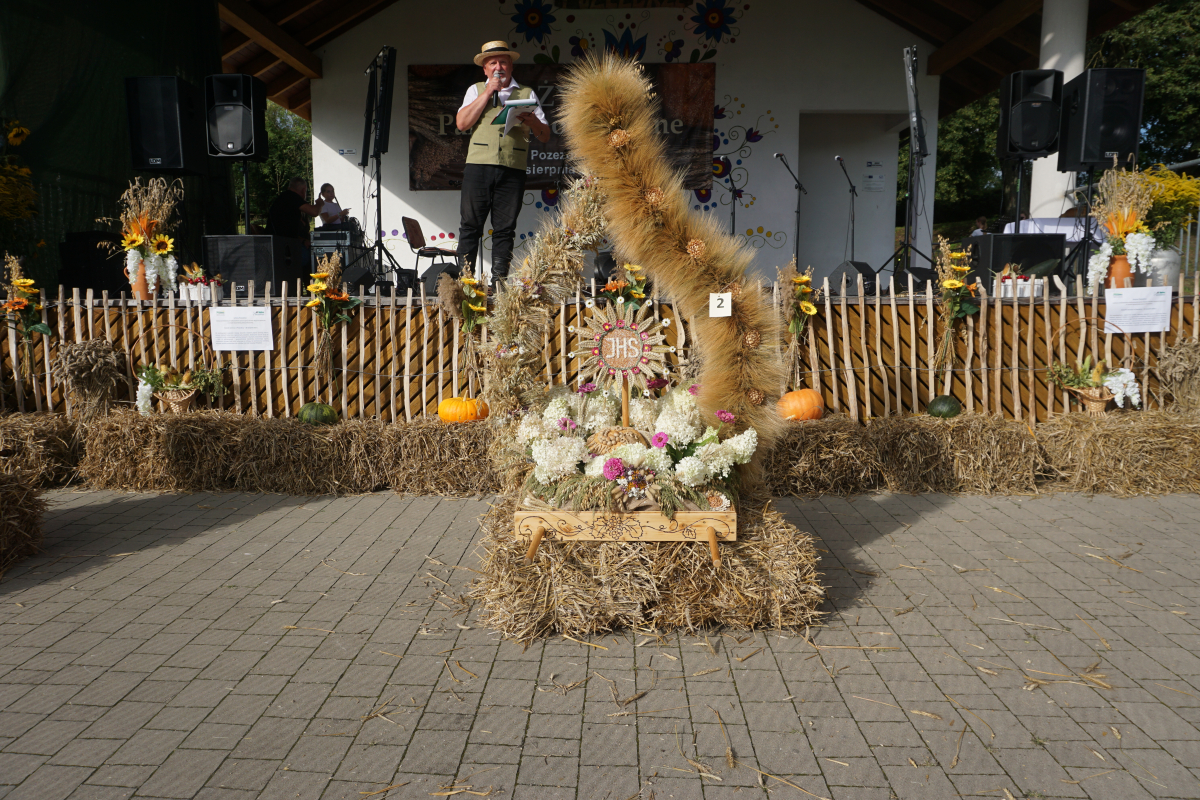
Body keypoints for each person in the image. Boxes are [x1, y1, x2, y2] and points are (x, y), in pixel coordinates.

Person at [455, 40, 551, 288]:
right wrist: (488, 92)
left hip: (512, 168)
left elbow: (545, 135)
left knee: (505, 228)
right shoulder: (476, 90)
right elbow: (462, 123)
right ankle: (465, 284)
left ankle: (498, 285)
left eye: (503, 62)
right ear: (485, 69)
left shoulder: (527, 93)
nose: (499, 67)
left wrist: (532, 122)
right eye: (493, 63)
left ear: (511, 66)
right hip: (479, 166)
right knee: (470, 225)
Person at [265, 177, 321, 269]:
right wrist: (319, 204)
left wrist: (303, 240)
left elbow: (288, 230)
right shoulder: (292, 197)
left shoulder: (285, 198)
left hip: (281, 242)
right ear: (303, 190)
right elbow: (314, 212)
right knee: (311, 257)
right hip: (281, 246)